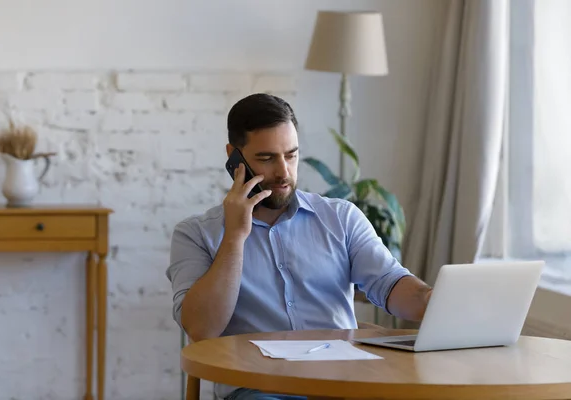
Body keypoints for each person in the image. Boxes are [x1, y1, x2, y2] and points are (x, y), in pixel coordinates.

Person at [166, 93, 433, 400]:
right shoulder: (196, 234)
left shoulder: (341, 218)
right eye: (266, 158)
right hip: (259, 389)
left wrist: (431, 300)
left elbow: (389, 283)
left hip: (345, 384)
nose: (283, 172)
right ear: (234, 157)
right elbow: (201, 329)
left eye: (291, 155)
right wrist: (235, 237)